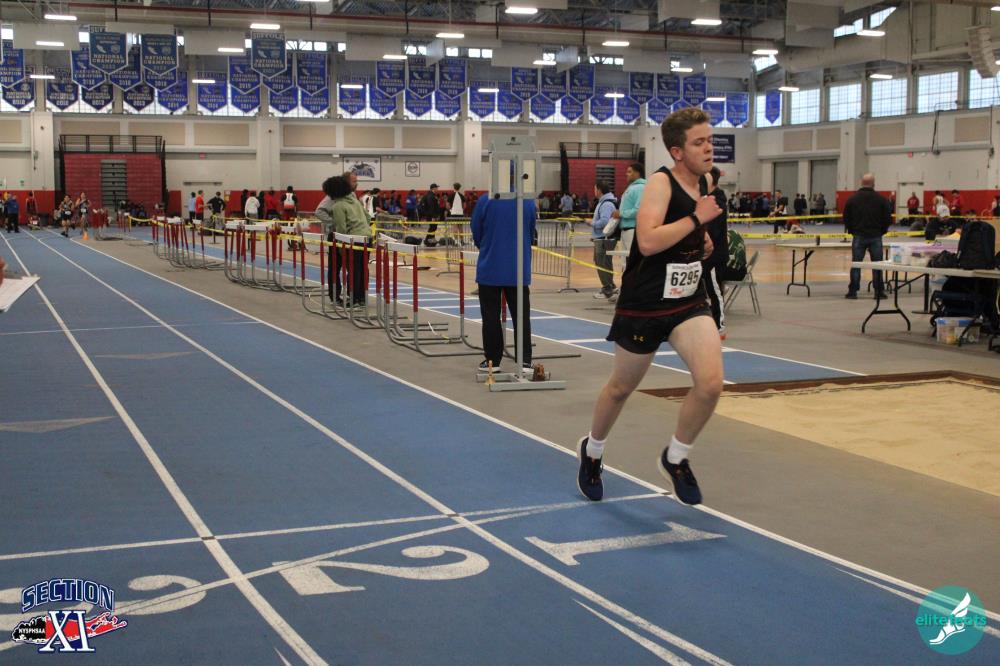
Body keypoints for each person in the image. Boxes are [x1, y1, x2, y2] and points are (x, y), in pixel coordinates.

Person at [576, 107, 722, 507]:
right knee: (621, 388)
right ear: (677, 151)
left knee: (710, 384)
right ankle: (592, 450)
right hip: (646, 303)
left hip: (688, 300)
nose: (709, 148)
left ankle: (676, 457)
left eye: (710, 140)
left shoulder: (706, 180)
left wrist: (701, 240)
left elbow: (694, 221)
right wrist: (696, 220)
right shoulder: (660, 184)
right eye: (699, 143)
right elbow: (648, 241)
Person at [471, 193, 537, 372]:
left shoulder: (486, 200)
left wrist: (488, 246)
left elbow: (476, 230)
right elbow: (531, 231)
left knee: (491, 316)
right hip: (518, 268)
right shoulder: (527, 201)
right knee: (521, 317)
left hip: (491, 266)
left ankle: (492, 361)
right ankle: (524, 361)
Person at [844, 173, 891, 300]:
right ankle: (879, 291)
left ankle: (853, 291)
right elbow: (888, 218)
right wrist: (882, 231)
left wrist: (852, 230)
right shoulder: (882, 199)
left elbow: (846, 218)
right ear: (873, 184)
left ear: (861, 183)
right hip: (875, 236)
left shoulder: (852, 199)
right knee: (878, 265)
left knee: (856, 264)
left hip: (859, 235)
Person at [328, 175, 373, 306]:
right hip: (367, 238)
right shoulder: (355, 201)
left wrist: (341, 247)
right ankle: (361, 298)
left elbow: (341, 229)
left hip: (353, 240)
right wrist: (363, 229)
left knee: (353, 270)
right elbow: (368, 218)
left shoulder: (338, 206)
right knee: (362, 269)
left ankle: (353, 299)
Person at [703, 166, 729, 339]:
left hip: (714, 255)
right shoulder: (707, 199)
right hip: (703, 255)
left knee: (715, 291)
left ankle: (719, 326)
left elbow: (713, 230)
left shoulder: (717, 203)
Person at [589, 181, 618, 300]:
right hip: (602, 238)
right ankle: (611, 286)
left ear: (599, 190)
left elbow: (604, 222)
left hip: (604, 239)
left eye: (595, 189)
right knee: (604, 262)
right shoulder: (604, 202)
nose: (594, 191)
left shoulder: (606, 204)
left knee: (602, 263)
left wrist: (592, 223)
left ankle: (607, 289)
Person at [612, 162, 646, 253]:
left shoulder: (640, 188)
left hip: (633, 230)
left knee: (631, 259)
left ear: (637, 173)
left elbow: (639, 210)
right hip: (626, 230)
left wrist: (621, 213)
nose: (626, 174)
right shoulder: (632, 187)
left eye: (629, 172)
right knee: (625, 260)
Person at [314, 179, 339, 302]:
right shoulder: (332, 197)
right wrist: (333, 223)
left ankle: (354, 297)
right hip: (335, 235)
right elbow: (318, 211)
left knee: (351, 268)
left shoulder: (351, 196)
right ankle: (335, 296)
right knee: (335, 267)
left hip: (350, 236)